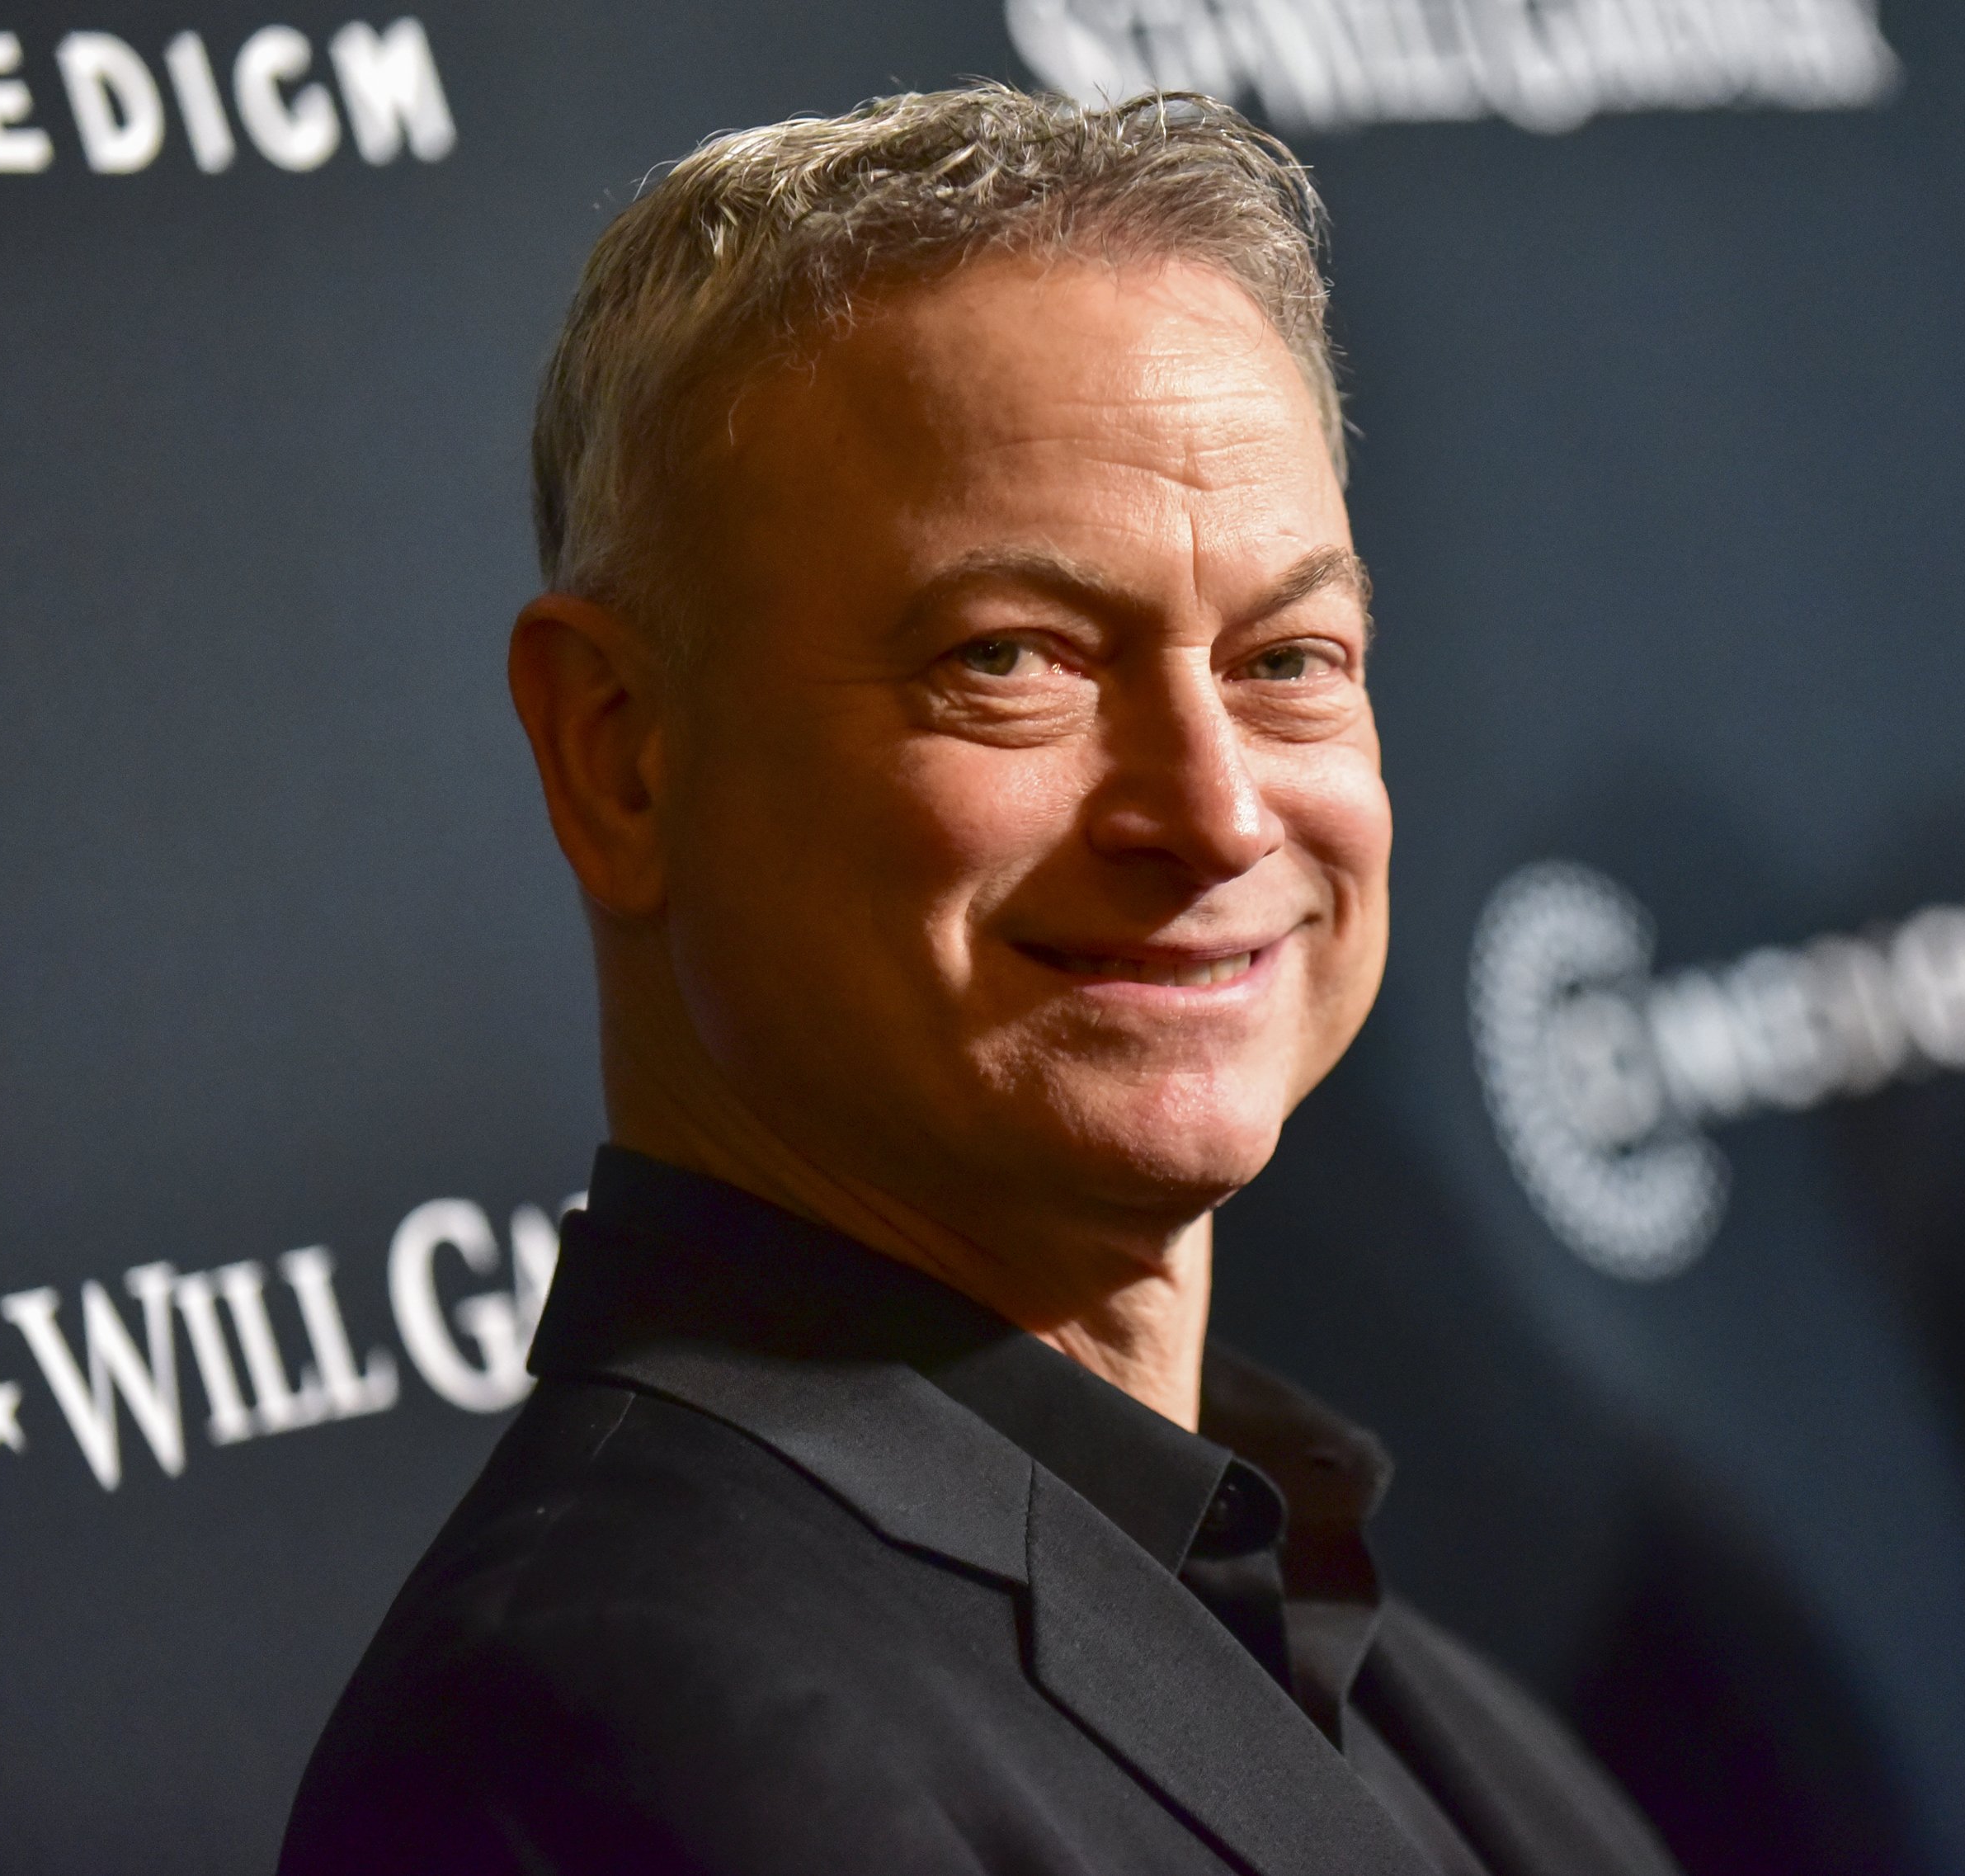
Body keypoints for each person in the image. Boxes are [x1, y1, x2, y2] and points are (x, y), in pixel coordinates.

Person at [280, 84, 1678, 1876]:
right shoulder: (598, 1740)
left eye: (1288, 657)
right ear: (618, 754)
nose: (1217, 807)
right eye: (1010, 654)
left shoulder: (1390, 1670)